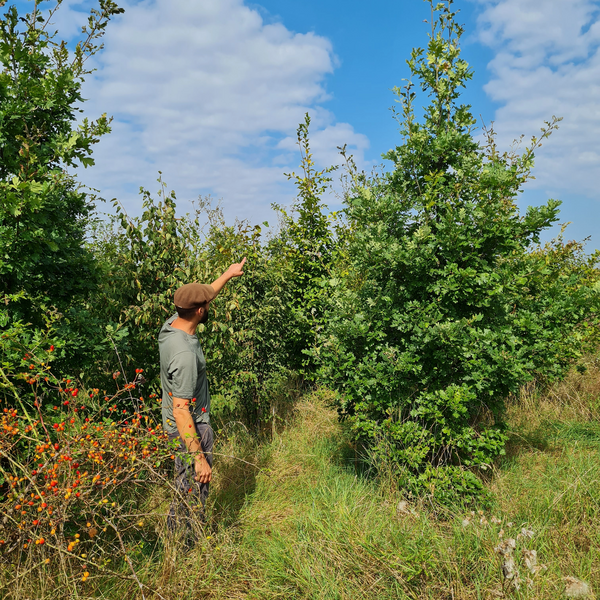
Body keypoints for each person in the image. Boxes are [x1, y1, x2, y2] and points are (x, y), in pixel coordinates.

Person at [159, 258, 246, 532]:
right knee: (193, 491)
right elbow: (181, 409)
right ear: (199, 310)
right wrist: (198, 457)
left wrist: (229, 274)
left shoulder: (171, 325)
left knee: (184, 488)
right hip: (190, 429)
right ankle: (186, 547)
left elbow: (204, 293)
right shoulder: (184, 355)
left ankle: (181, 541)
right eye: (207, 304)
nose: (210, 305)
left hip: (178, 427)